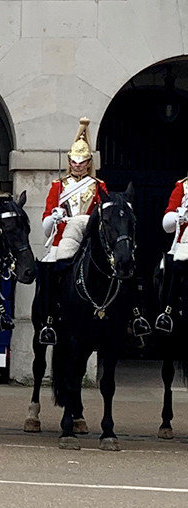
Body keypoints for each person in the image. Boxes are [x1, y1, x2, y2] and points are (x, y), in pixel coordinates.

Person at [37, 117, 150, 343]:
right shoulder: (58, 187)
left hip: (91, 233)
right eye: (74, 161)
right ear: (69, 161)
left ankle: (135, 315)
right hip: (65, 234)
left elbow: (105, 212)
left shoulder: (99, 186)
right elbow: (45, 225)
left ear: (89, 162)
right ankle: (49, 318)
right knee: (52, 267)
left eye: (82, 162)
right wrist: (54, 216)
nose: (78, 165)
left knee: (124, 263)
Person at [155, 169, 188, 333]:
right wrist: (177, 217)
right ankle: (167, 313)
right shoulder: (183, 187)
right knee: (172, 268)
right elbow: (166, 224)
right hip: (186, 242)